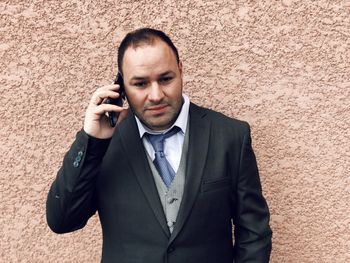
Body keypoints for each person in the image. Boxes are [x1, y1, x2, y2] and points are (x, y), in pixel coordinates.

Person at [46, 27, 272, 263]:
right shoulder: (103, 145)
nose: (156, 95)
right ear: (121, 87)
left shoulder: (230, 136)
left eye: (165, 79)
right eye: (140, 84)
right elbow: (62, 221)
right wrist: (91, 142)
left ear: (181, 71)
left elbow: (254, 234)